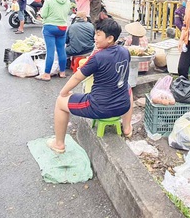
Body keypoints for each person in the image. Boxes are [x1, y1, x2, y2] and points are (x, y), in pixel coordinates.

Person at [47, 18, 133, 154]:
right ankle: (127, 128)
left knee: (60, 103)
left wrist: (63, 93)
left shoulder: (98, 57)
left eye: (98, 35)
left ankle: (59, 144)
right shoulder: (125, 51)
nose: (95, 38)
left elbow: (77, 76)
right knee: (127, 87)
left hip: (99, 107)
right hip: (123, 106)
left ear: (110, 38)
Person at [36, 0, 72, 81]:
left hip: (50, 27)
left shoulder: (49, 0)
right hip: (62, 27)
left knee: (50, 51)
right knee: (61, 50)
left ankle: (47, 74)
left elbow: (43, 14)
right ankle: (62, 72)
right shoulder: (67, 0)